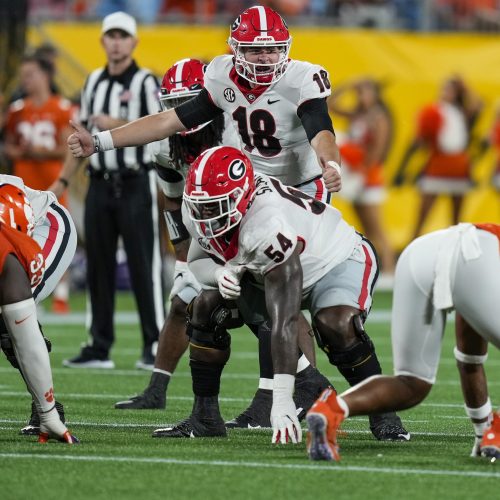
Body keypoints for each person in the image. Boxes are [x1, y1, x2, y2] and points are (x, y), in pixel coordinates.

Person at [68, 5, 407, 441]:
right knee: (215, 299)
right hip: (239, 192)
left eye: (272, 50)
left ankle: (307, 389)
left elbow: (318, 124)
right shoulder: (220, 78)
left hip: (299, 192)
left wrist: (329, 162)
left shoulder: (301, 77)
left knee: (292, 302)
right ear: (234, 48)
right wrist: (100, 142)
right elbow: (173, 121)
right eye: (254, 50)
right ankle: (280, 392)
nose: (265, 59)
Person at [113, 58, 331, 435]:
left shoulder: (233, 135)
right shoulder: (168, 148)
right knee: (189, 300)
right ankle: (164, 391)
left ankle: (282, 395)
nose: (178, 113)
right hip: (209, 229)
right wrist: (184, 259)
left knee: (270, 304)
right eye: (171, 103)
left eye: (187, 101)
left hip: (258, 219)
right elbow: (172, 201)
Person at [138, 145, 407, 442]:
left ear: (243, 196)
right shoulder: (201, 208)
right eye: (202, 205)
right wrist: (218, 273)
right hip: (274, 267)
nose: (206, 215)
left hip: (335, 260)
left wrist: (281, 401)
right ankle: (205, 417)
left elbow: (286, 319)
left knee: (336, 325)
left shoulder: (266, 224)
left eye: (215, 205)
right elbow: (197, 260)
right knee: (205, 307)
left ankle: (384, 413)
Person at [306, 222, 500, 461]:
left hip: (420, 253)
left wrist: (483, 432)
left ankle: (330, 410)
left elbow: (469, 360)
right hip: (476, 252)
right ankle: (495, 430)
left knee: (412, 384)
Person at [60, 11, 164, 369]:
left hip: (136, 179)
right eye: (111, 35)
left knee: (143, 265)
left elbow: (161, 125)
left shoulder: (147, 81)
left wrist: (112, 124)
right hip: (100, 182)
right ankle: (98, 345)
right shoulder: (92, 82)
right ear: (103, 41)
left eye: (123, 36)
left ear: (133, 42)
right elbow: (79, 137)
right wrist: (61, 181)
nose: (116, 42)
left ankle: (155, 344)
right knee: (97, 265)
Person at [0, 181, 78, 444]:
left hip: (43, 224)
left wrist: (48, 412)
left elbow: (17, 310)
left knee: (9, 317)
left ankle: (46, 407)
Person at [3, 54, 74, 313]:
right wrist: (17, 152)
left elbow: (69, 147)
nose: (26, 81)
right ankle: (25, 291)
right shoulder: (17, 110)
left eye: (30, 74)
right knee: (18, 238)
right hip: (22, 184)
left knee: (55, 233)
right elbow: (10, 144)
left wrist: (36, 151)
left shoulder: (61, 107)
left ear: (46, 76)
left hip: (52, 181)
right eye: (24, 76)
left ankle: (61, 296)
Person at [393, 75, 483, 240]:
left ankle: (456, 251)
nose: (446, 93)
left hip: (459, 170)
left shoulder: (461, 113)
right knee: (422, 216)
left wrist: (465, 86)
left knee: (457, 221)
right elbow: (418, 141)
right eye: (445, 89)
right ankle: (412, 245)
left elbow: (478, 105)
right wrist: (403, 168)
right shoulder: (433, 111)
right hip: (436, 167)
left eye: (451, 90)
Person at [329, 77, 396, 278]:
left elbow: (377, 151)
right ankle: (376, 267)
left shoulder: (379, 117)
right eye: (360, 93)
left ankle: (390, 269)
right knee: (365, 228)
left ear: (375, 95)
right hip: (357, 175)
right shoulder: (358, 114)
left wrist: (362, 175)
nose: (361, 96)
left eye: (365, 92)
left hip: (368, 177)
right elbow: (331, 105)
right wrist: (348, 86)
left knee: (376, 228)